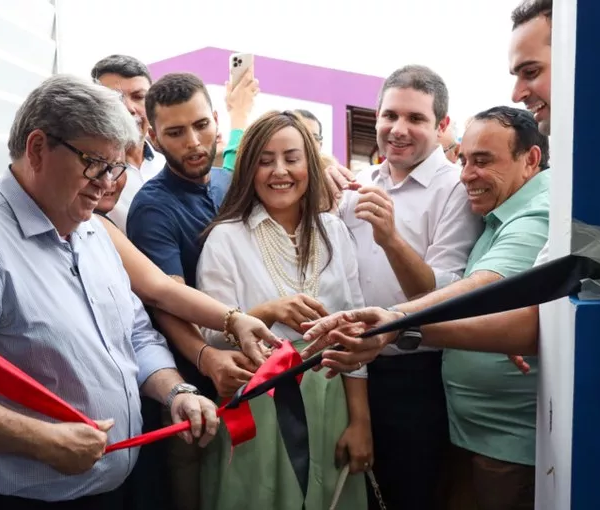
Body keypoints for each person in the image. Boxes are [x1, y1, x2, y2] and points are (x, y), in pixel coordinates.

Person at [0, 75, 222, 510]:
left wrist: (175, 391)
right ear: (38, 148)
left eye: (117, 167)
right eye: (95, 163)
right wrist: (40, 440)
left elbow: (134, 335)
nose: (107, 183)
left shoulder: (92, 231)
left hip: (112, 492)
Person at [303, 105, 551, 510]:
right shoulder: (497, 211)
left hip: (505, 441)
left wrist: (398, 320)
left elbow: (482, 287)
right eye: (465, 160)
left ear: (531, 159)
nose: (467, 174)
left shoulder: (534, 213)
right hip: (471, 432)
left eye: (483, 161)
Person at [197, 111, 371, 510]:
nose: (280, 172)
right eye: (265, 160)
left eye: (292, 158)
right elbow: (210, 335)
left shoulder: (334, 232)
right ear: (247, 168)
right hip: (259, 405)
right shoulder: (226, 238)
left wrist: (361, 421)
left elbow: (356, 332)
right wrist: (267, 312)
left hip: (330, 400)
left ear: (310, 162)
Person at [329, 64, 483, 510]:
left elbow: (442, 299)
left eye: (415, 118)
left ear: (441, 126)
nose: (399, 129)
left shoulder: (454, 188)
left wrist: (391, 239)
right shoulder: (358, 186)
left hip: (416, 378)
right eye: (389, 115)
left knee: (409, 491)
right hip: (350, 373)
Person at [124, 72, 239, 510]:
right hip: (189, 386)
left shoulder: (231, 182)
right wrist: (206, 360)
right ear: (153, 135)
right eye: (175, 132)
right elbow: (166, 301)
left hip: (245, 369)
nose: (193, 142)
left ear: (215, 120)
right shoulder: (153, 207)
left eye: (201, 125)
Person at [91, 54, 166, 233]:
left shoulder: (167, 165)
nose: (129, 108)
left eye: (139, 96)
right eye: (115, 100)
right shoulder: (88, 176)